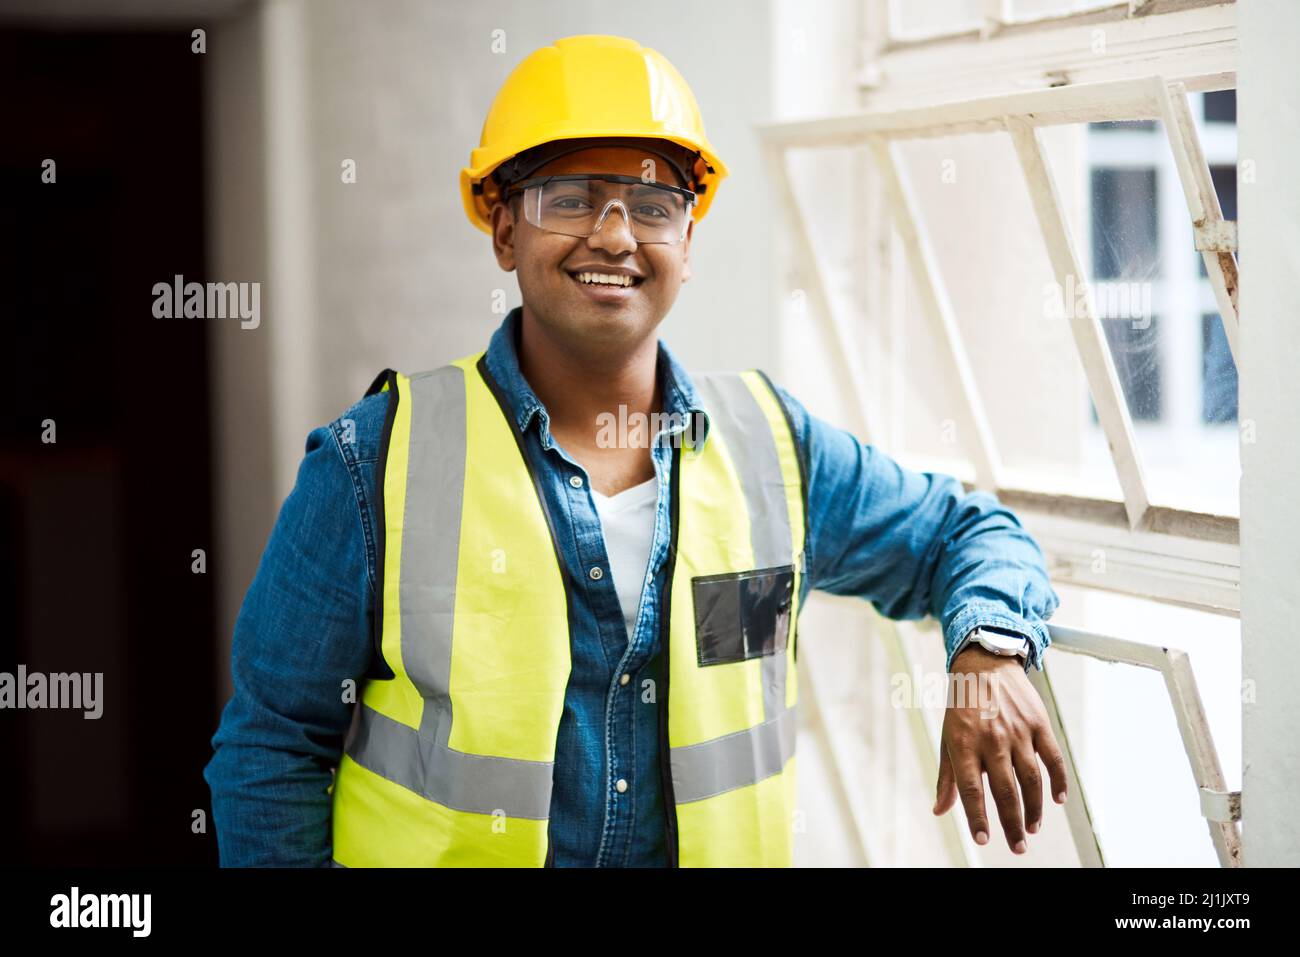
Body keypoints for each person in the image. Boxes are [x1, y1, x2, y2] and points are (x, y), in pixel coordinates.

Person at [204, 33, 1065, 868]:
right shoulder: (372, 461)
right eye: (570, 198)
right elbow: (271, 747)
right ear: (504, 231)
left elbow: (968, 533)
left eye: (653, 206)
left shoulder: (774, 448)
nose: (615, 237)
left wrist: (987, 653)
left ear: (686, 245)